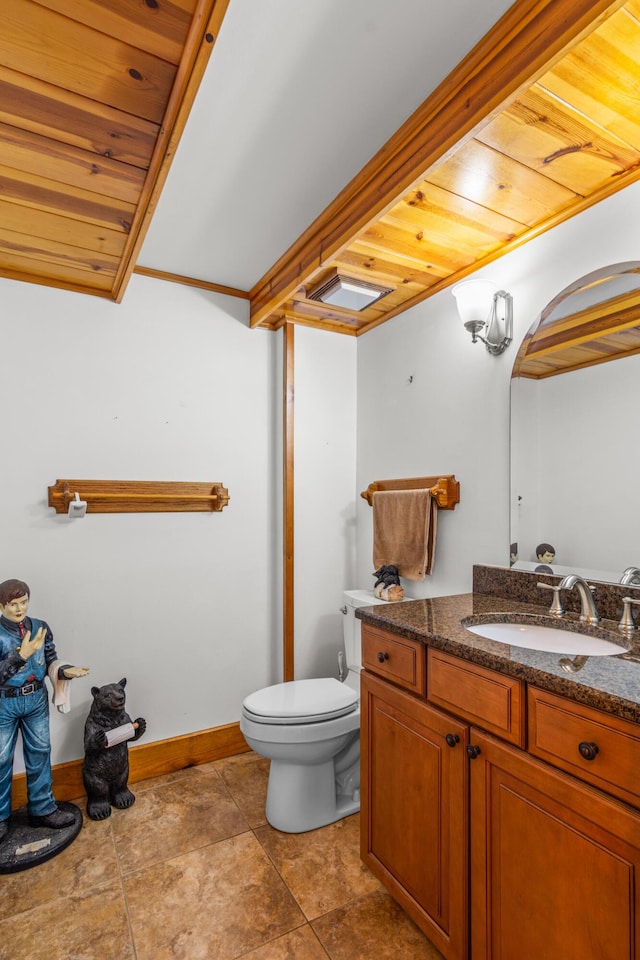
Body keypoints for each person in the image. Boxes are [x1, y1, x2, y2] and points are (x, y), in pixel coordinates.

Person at [0, 578, 89, 842]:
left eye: (23, 602)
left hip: (36, 698)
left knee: (39, 752)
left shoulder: (39, 627)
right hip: (5, 701)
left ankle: (42, 808)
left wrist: (63, 670)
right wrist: (21, 655)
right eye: (13, 604)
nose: (19, 608)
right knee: (1, 759)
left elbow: (50, 657)